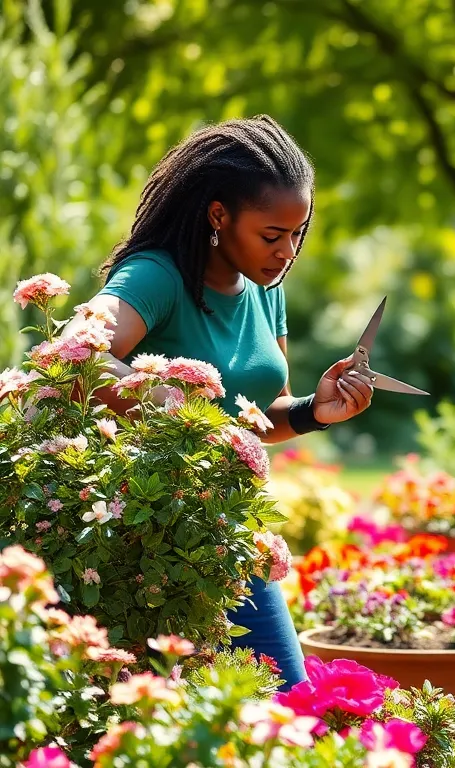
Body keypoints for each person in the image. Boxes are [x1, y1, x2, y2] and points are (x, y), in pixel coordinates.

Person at [79, 115, 377, 691]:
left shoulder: (268, 289)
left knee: (285, 705)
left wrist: (316, 408)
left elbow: (259, 418)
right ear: (219, 215)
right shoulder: (158, 276)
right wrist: (166, 399)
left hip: (227, 535)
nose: (287, 251)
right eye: (272, 235)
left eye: (298, 233)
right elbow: (73, 353)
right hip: (141, 538)